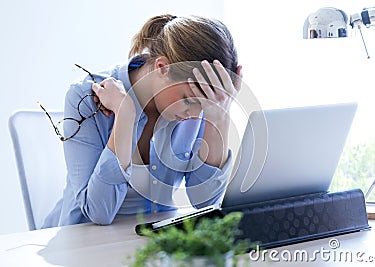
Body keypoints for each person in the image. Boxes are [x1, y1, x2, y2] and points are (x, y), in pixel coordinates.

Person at [43, 14, 242, 228]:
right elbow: (98, 212)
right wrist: (126, 115)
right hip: (81, 241)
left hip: (155, 238)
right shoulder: (85, 95)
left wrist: (219, 115)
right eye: (188, 100)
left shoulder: (202, 104)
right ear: (162, 68)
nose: (195, 115)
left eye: (205, 106)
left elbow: (205, 202)